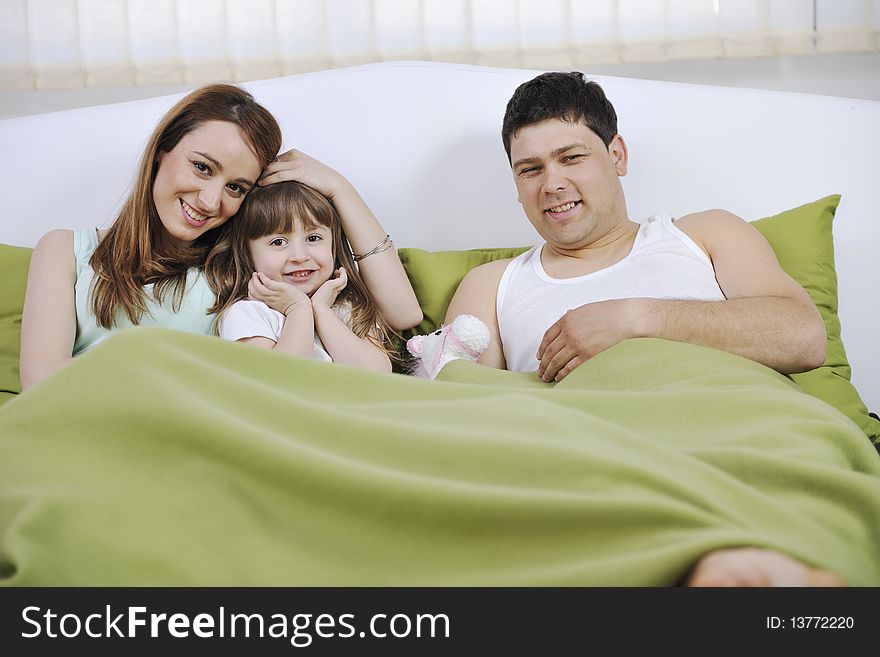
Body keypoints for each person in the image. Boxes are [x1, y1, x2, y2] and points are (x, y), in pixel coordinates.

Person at [446, 71, 837, 586]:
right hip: (591, 462)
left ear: (617, 155)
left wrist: (638, 318)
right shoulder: (493, 284)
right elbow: (455, 414)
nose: (552, 183)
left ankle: (742, 551)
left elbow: (802, 336)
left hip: (732, 430)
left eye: (572, 157)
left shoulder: (703, 234)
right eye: (530, 169)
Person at [19, 84, 421, 391]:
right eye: (202, 167)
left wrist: (339, 188)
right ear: (162, 149)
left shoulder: (240, 265)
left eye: (236, 187)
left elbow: (404, 314)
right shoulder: (66, 249)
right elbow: (41, 378)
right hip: (90, 421)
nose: (210, 201)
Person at [207, 181, 396, 372]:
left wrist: (321, 309)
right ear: (246, 254)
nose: (299, 256)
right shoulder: (249, 313)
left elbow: (378, 374)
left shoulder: (349, 307)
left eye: (313, 238)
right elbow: (278, 379)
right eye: (278, 242)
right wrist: (298, 309)